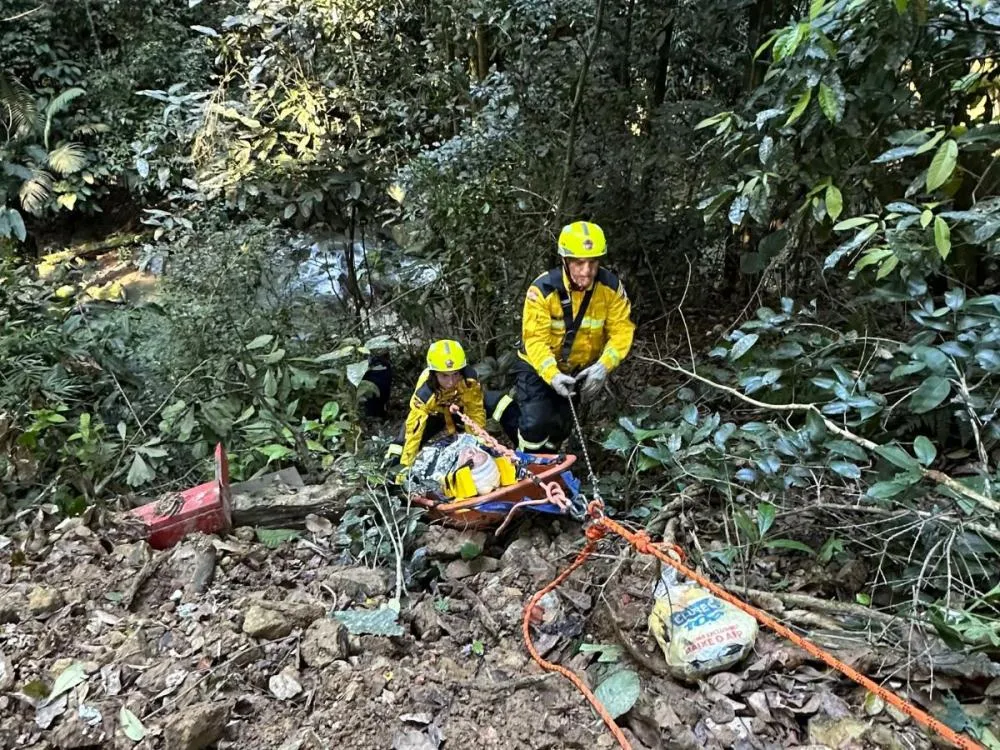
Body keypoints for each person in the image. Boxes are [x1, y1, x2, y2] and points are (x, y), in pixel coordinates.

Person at [515, 220, 635, 453]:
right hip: (537, 365)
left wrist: (603, 366)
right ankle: (527, 466)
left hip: (576, 370)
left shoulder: (610, 289)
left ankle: (551, 465)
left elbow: (622, 330)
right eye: (579, 263)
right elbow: (535, 340)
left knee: (560, 427)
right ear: (565, 261)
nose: (586, 271)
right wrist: (552, 375)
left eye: (592, 262)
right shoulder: (543, 290)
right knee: (535, 425)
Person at [385, 339, 519, 469]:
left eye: (455, 374)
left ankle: (523, 452)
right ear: (434, 374)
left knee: (503, 403)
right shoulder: (424, 394)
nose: (451, 382)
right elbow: (415, 430)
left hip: (461, 408)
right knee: (403, 441)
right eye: (444, 376)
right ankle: (391, 475)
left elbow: (475, 410)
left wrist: (475, 444)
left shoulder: (469, 379)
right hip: (435, 414)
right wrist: (406, 466)